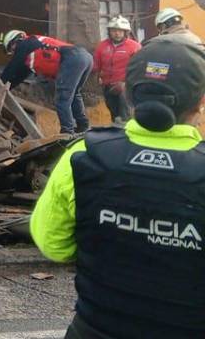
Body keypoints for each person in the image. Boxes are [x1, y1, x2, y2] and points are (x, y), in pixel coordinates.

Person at [30, 40, 205, 339]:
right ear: (200, 100)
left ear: (129, 92)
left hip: (94, 329)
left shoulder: (83, 155)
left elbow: (53, 245)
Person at [0, 30, 93, 134]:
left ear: (15, 41)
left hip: (73, 58)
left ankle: (67, 131)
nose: (13, 52)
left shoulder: (26, 43)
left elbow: (11, 68)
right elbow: (20, 76)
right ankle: (83, 126)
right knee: (74, 94)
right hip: (84, 57)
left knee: (62, 99)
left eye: (11, 49)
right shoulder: (30, 51)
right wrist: (8, 86)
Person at [93, 16, 141, 123]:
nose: (117, 33)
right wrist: (98, 79)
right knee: (114, 115)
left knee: (125, 115)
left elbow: (139, 69)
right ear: (109, 32)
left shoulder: (134, 47)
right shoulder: (102, 46)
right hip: (107, 86)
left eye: (120, 31)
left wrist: (126, 83)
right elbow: (96, 66)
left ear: (125, 32)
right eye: (114, 30)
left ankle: (126, 131)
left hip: (126, 87)